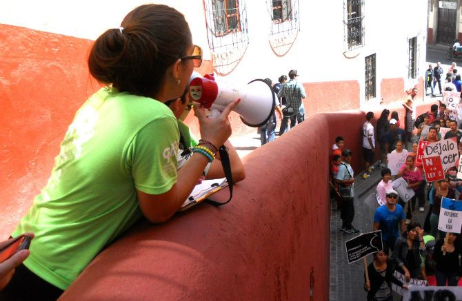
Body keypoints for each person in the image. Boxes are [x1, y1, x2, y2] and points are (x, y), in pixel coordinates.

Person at [3, 5, 248, 300]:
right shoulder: (154, 117)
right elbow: (159, 210)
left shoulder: (103, 98)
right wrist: (208, 145)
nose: (195, 66)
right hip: (55, 273)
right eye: (193, 56)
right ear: (176, 67)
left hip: (24, 247)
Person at [374, 189, 406, 255]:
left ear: (396, 199)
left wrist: (403, 237)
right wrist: (378, 243)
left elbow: (402, 222)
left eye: (394, 197)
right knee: (385, 258)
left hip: (395, 238)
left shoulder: (400, 208)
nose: (392, 198)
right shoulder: (379, 211)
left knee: (398, 256)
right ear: (386, 197)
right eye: (390, 196)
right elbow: (375, 228)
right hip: (383, 239)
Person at [337, 149, 360, 234]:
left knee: (346, 209)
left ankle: (344, 225)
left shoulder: (347, 165)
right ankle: (348, 227)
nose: (349, 157)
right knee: (350, 211)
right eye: (347, 156)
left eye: (350, 155)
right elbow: (338, 180)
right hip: (347, 192)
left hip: (349, 191)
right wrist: (349, 181)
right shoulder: (343, 167)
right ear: (343, 157)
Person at [259, 78, 283, 145]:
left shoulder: (258, 93)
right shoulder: (272, 93)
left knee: (263, 131)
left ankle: (263, 146)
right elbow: (276, 106)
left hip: (261, 116)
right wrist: (281, 113)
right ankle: (270, 146)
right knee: (271, 132)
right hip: (270, 116)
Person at [362, 112, 376, 178]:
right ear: (371, 118)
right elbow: (370, 138)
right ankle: (365, 173)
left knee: (366, 159)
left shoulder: (364, 124)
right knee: (368, 160)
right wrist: (372, 147)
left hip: (364, 144)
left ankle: (368, 169)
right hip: (369, 146)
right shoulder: (370, 127)